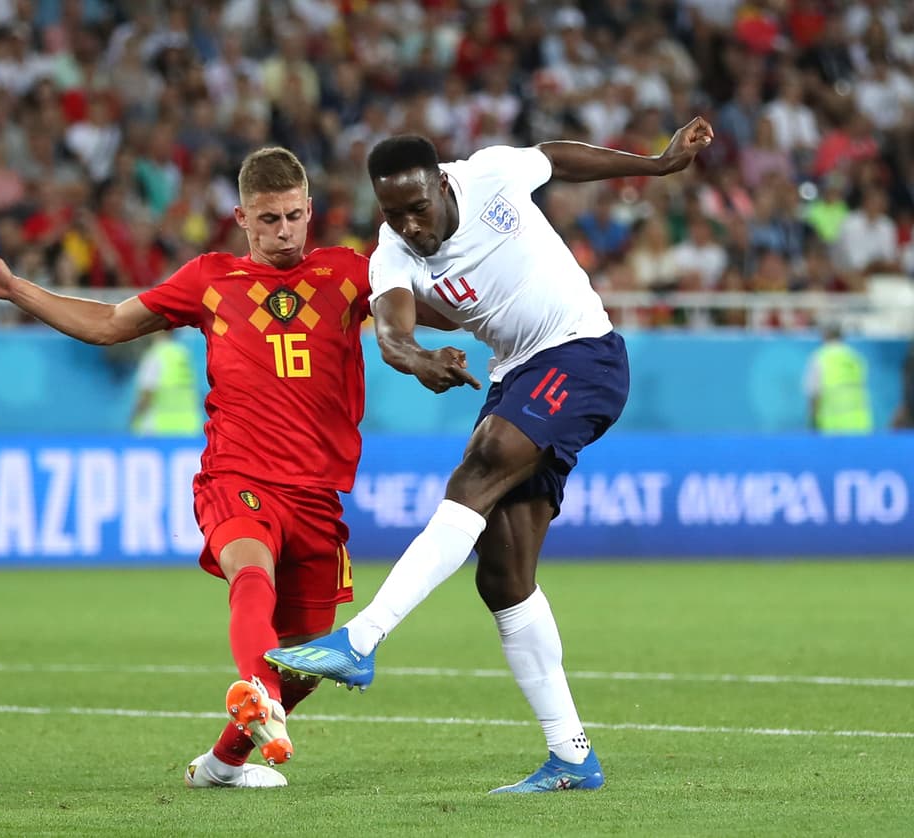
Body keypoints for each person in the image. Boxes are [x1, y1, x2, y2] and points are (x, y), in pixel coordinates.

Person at [267, 118, 715, 793]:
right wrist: (419, 359)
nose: (410, 225)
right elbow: (391, 333)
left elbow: (557, 157)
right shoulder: (392, 253)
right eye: (393, 213)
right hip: (517, 375)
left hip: (582, 352)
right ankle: (571, 757)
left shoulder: (491, 174)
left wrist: (654, 165)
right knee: (503, 573)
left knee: (480, 466)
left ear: (442, 184)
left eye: (417, 208)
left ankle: (361, 640)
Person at [0, 147, 374, 789]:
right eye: (268, 219)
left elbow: (429, 304)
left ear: (310, 209)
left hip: (318, 494)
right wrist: (16, 290)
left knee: (310, 652)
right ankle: (258, 692)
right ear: (242, 218)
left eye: (294, 216)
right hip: (238, 476)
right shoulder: (211, 279)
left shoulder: (348, 272)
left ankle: (222, 765)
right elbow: (108, 323)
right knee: (251, 571)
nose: (284, 231)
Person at [129, 330, 204, 436]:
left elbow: (146, 395)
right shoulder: (182, 353)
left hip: (160, 429)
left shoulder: (154, 356)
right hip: (189, 426)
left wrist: (133, 418)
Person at [804, 324, 873, 434]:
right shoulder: (855, 357)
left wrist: (813, 418)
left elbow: (813, 392)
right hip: (859, 423)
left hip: (832, 424)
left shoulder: (820, 357)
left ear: (825, 336)